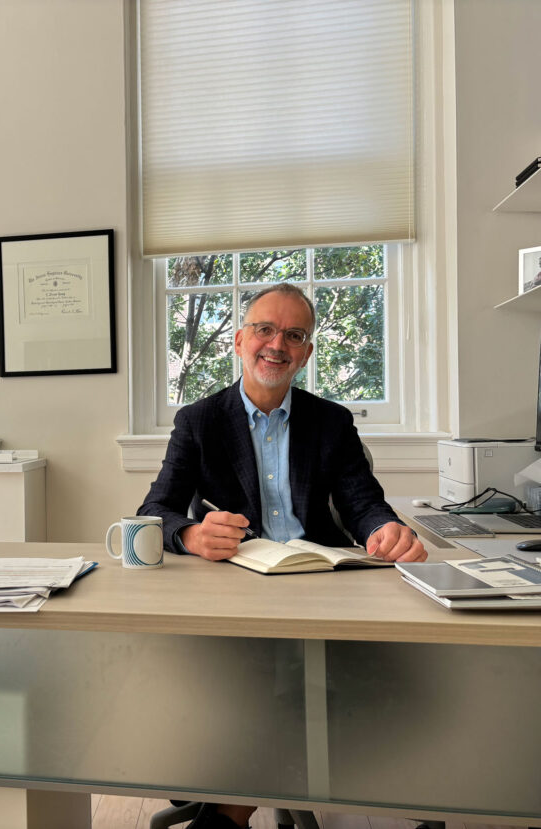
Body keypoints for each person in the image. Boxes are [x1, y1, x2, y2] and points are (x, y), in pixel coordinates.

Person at [138, 283, 426, 829]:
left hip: (317, 583)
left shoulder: (332, 422)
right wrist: (191, 534)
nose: (278, 344)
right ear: (240, 340)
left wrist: (387, 529)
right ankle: (230, 808)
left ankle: (225, 812)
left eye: (294, 334)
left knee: (292, 679)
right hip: (236, 588)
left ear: (307, 351)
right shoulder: (199, 421)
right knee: (267, 682)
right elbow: (155, 511)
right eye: (265, 330)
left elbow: (363, 503)